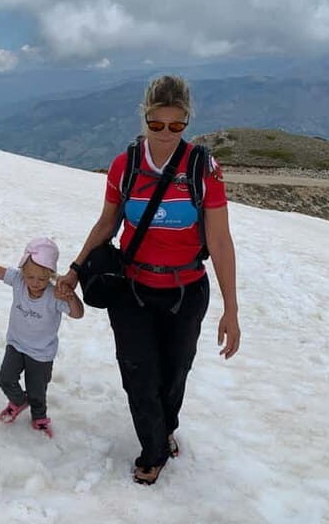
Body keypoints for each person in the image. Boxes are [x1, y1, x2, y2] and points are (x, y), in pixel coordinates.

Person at [57, 75, 240, 484]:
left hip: (187, 290)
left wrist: (232, 308)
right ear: (145, 118)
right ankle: (153, 451)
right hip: (133, 290)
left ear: (188, 122)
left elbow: (220, 240)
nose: (165, 134)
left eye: (177, 126)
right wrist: (75, 267)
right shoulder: (126, 165)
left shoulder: (203, 168)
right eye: (157, 125)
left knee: (175, 374)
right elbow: (107, 224)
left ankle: (165, 428)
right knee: (139, 375)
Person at [0, 238, 84, 437]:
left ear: (51, 276)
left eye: (42, 279)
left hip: (41, 354)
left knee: (37, 390)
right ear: (22, 272)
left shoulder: (55, 294)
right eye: (30, 277)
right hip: (16, 344)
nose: (35, 283)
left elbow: (78, 314)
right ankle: (19, 401)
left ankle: (39, 417)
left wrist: (71, 296)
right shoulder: (18, 280)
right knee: (5, 379)